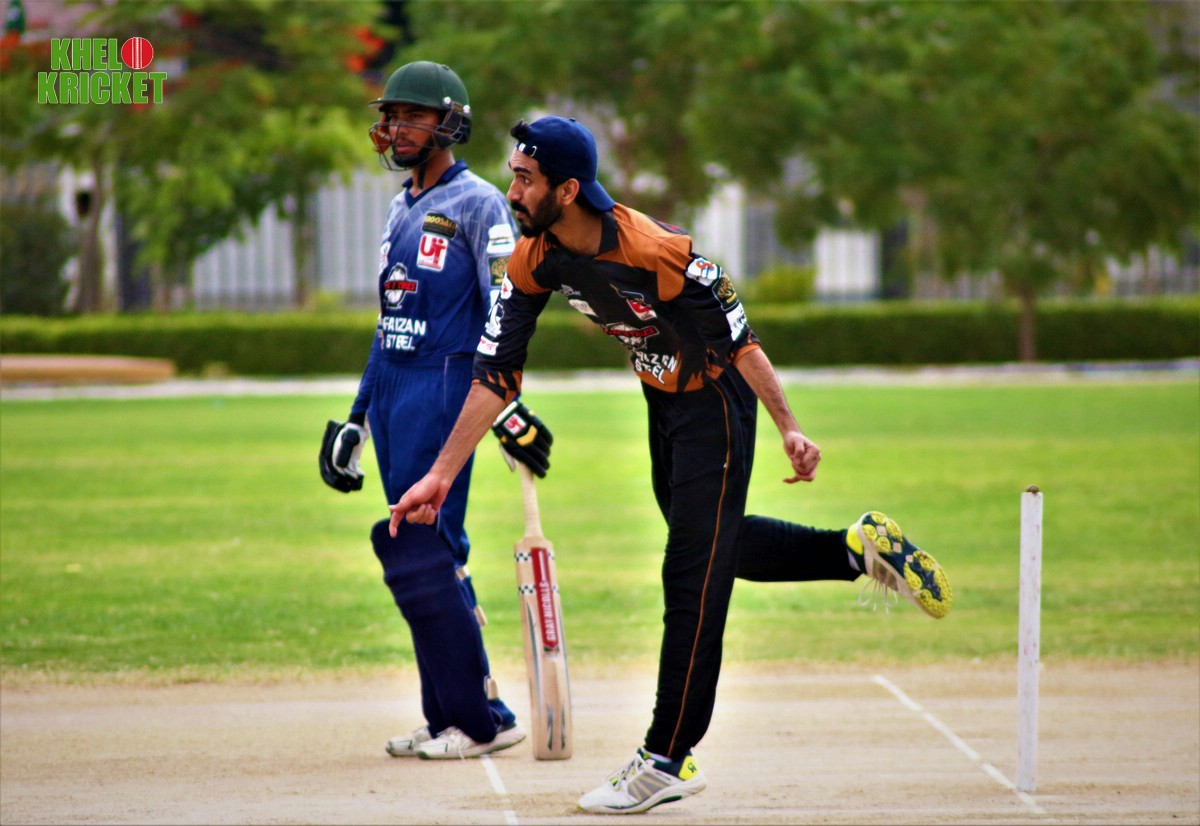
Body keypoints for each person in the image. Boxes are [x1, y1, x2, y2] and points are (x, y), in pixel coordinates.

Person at [388, 115, 953, 811]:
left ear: (567, 190)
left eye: (525, 179)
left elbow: (742, 342)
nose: (512, 191)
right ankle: (857, 550)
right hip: (665, 404)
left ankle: (667, 757)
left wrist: (789, 427)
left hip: (717, 403)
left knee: (691, 575)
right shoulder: (535, 256)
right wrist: (441, 474)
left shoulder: (657, 252)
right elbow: (496, 375)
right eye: (513, 176)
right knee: (713, 546)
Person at [318, 62, 553, 761]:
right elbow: (386, 323)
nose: (398, 128)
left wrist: (508, 406)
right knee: (417, 555)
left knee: (432, 550)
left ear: (449, 122)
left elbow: (507, 312)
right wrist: (358, 416)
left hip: (446, 388)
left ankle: (484, 721)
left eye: (414, 116)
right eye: (392, 116)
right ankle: (446, 712)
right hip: (395, 391)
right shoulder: (400, 207)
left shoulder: (480, 204)